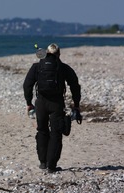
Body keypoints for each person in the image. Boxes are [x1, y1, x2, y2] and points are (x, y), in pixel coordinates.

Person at [23, 43, 81, 173]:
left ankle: (43, 163)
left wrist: (28, 102)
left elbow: (27, 85)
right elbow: (75, 85)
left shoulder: (37, 67)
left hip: (41, 103)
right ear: (59, 54)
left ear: (46, 53)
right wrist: (76, 104)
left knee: (42, 131)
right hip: (57, 103)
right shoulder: (64, 68)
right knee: (56, 133)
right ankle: (52, 166)